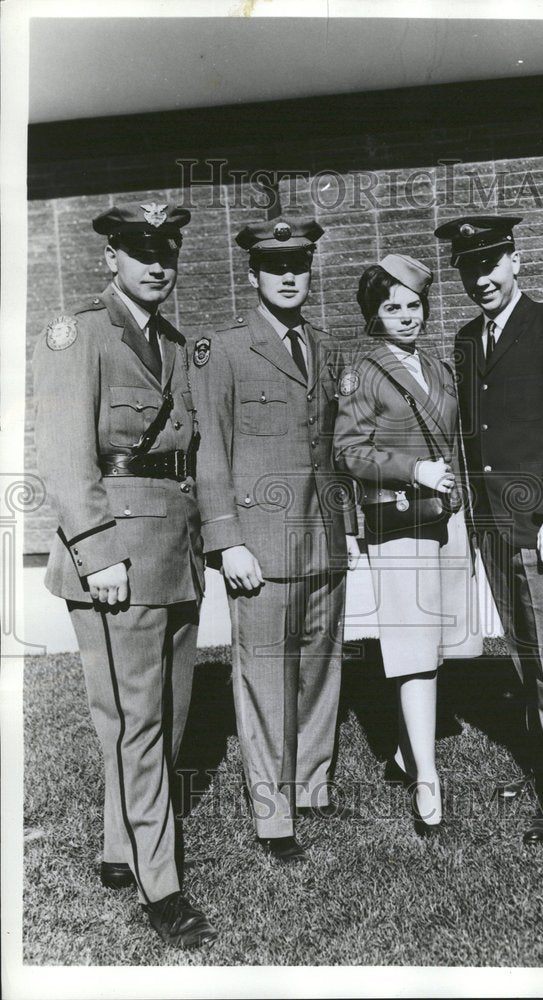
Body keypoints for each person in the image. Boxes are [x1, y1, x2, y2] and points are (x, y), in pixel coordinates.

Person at [32, 202, 216, 948]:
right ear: (110, 257)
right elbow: (65, 460)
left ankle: (118, 846)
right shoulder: (76, 334)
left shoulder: (172, 341)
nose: (156, 263)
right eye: (139, 250)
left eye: (166, 249)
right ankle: (159, 884)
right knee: (138, 722)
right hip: (115, 561)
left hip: (173, 551)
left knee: (162, 719)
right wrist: (98, 553)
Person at [192, 215, 360, 865]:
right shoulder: (224, 349)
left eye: (298, 265)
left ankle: (313, 787)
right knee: (264, 680)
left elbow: (332, 450)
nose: (288, 276)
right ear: (254, 274)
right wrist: (226, 541)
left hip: (323, 542)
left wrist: (350, 526)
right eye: (275, 266)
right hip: (259, 549)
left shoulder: (325, 347)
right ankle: (273, 817)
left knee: (320, 673)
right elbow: (210, 453)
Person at [434, 215, 543, 844]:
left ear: (515, 262)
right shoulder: (468, 339)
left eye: (491, 263)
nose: (482, 278)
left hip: (542, 524)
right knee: (524, 650)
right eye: (470, 269)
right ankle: (542, 762)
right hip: (493, 523)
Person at [333, 253, 480, 834]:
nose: (406, 317)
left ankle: (403, 753)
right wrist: (413, 470)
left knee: (443, 641)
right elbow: (347, 450)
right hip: (399, 521)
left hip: (444, 520)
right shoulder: (365, 371)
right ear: (375, 315)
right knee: (414, 649)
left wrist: (455, 492)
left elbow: (457, 441)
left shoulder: (438, 368)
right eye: (391, 308)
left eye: (414, 305)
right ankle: (427, 777)